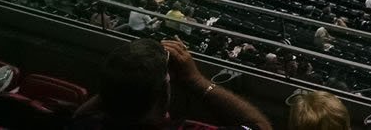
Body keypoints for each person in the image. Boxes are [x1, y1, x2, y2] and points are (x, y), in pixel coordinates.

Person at [69, 38, 272, 130]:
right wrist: (197, 80)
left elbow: (78, 116)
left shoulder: (83, 124)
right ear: (164, 95)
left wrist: (127, 74)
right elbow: (261, 127)